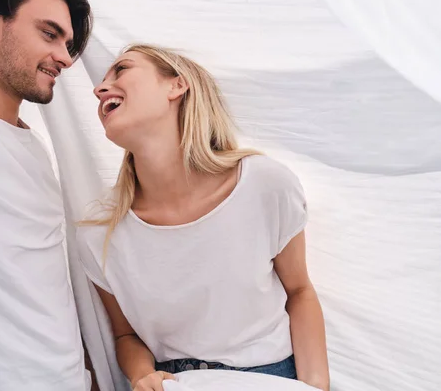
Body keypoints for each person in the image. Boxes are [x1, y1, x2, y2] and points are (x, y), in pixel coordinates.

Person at [76, 44, 330, 391]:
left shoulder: (264, 184)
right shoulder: (100, 231)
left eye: (121, 70)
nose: (99, 88)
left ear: (176, 86)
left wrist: (316, 386)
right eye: (102, 80)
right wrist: (141, 375)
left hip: (271, 377)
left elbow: (300, 292)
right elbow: (125, 334)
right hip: (175, 383)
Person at [0, 0, 95, 390]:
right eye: (49, 34)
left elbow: (44, 283)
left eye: (67, 44)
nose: (66, 58)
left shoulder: (37, 151)